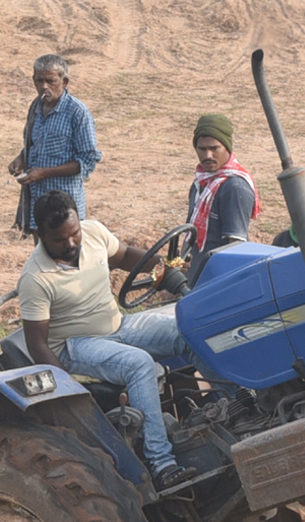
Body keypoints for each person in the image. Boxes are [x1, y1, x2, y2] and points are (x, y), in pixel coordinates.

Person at [18, 190, 196, 491]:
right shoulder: (35, 279)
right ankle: (162, 464)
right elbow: (38, 344)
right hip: (76, 345)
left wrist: (165, 273)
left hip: (118, 325)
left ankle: (230, 412)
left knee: (188, 332)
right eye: (61, 240)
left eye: (74, 234)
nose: (72, 243)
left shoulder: (94, 232)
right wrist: (69, 392)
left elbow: (126, 255)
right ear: (40, 235)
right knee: (138, 364)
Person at [9, 54, 102, 240]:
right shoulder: (36, 107)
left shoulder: (77, 112)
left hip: (64, 206)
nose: (44, 86)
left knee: (67, 254)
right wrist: (21, 158)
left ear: (64, 81)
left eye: (50, 81)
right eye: (39, 80)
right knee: (42, 254)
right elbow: (34, 143)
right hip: (38, 201)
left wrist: (44, 172)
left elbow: (88, 160)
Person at [186, 113, 261, 280]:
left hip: (214, 282)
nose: (207, 156)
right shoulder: (200, 184)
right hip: (194, 280)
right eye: (202, 149)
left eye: (214, 148)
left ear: (227, 147)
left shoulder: (234, 188)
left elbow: (235, 249)